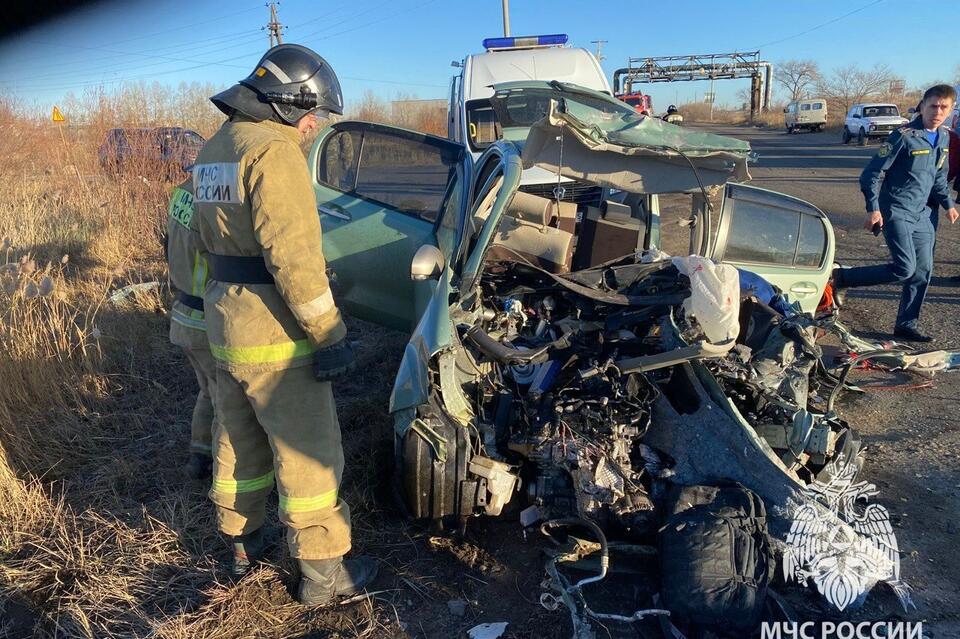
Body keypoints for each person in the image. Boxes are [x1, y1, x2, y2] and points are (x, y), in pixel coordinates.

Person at [192, 43, 376, 606]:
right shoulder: (273, 152)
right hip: (275, 335)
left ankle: (244, 545)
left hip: (225, 324)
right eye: (310, 113)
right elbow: (294, 258)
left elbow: (203, 241)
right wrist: (330, 334)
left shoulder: (214, 149)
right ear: (286, 103)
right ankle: (323, 576)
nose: (312, 125)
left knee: (238, 437)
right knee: (306, 449)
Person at [832, 84, 958, 342]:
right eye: (933, 105)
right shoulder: (903, 135)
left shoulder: (944, 137)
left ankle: (906, 325)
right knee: (904, 267)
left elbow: (938, 177)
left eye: (944, 107)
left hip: (924, 214)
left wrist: (948, 204)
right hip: (896, 209)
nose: (937, 111)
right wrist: (873, 208)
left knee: (923, 271)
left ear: (951, 110)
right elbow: (872, 173)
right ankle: (842, 278)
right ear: (922, 106)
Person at [165, 179, 216, 480]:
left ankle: (199, 457)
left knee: (208, 390)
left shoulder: (182, 192)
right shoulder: (213, 199)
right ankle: (223, 471)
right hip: (206, 317)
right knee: (227, 401)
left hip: (184, 313)